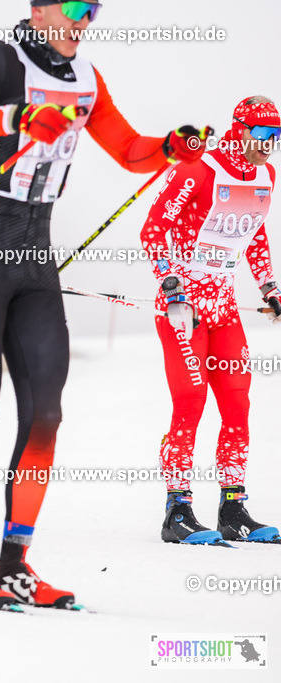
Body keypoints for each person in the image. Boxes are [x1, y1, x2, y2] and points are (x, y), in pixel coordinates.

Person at [0, 0, 211, 609]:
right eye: (76, 6)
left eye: (95, 7)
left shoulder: (86, 79)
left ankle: (13, 564)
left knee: (46, 415)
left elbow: (130, 150)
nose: (86, 17)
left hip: (34, 255)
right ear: (40, 8)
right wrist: (15, 117)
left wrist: (171, 147)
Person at [141, 96, 281, 546]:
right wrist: (168, 279)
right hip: (185, 311)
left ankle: (233, 508)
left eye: (277, 138)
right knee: (190, 403)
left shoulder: (265, 176)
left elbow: (254, 232)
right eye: (262, 136)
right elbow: (152, 230)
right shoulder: (198, 169)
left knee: (238, 405)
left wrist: (269, 288)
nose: (269, 146)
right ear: (239, 129)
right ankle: (177, 510)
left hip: (223, 310)